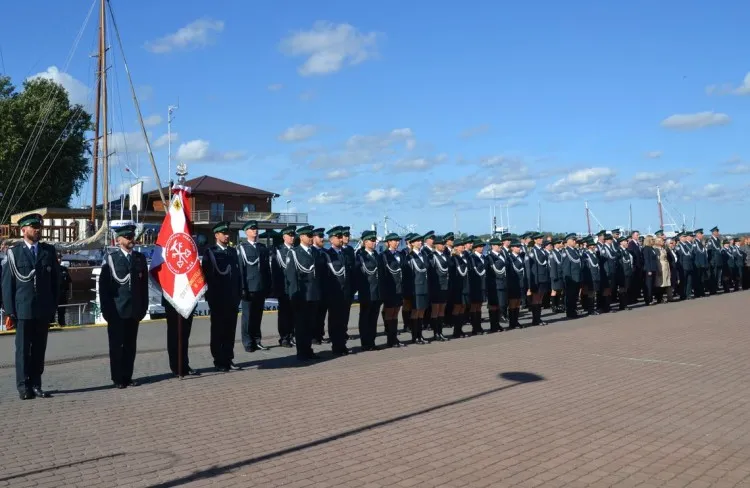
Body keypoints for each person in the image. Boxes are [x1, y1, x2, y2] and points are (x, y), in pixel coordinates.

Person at [2, 213, 59, 400]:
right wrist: (10, 311)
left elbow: (55, 282)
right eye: (33, 226)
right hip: (23, 309)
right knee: (22, 350)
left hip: (43, 309)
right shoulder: (14, 253)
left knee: (39, 349)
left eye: (38, 226)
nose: (37, 229)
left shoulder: (48, 252)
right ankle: (23, 386)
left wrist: (53, 307)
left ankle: (36, 384)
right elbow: (7, 285)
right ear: (23, 230)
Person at [99, 223, 149, 389]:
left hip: (134, 310)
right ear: (118, 240)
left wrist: (143, 308)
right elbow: (104, 289)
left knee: (130, 346)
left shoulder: (139, 259)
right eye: (127, 237)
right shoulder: (112, 259)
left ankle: (128, 376)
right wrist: (107, 312)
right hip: (117, 311)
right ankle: (118, 378)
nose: (130, 239)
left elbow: (143, 287)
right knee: (116, 347)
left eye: (132, 236)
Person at [202, 221, 242, 372]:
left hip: (232, 298)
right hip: (218, 299)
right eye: (223, 233)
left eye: (227, 233)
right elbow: (208, 277)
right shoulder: (210, 253)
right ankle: (219, 360)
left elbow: (237, 275)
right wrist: (212, 297)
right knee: (218, 330)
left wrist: (238, 293)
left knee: (230, 330)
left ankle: (228, 358)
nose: (226, 236)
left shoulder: (232, 252)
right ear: (216, 235)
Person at [285, 225, 322, 361]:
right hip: (301, 295)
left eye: (312, 235)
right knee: (301, 326)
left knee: (311, 324)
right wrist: (294, 296)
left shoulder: (315, 252)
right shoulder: (294, 253)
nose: (311, 238)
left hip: (313, 295)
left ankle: (308, 349)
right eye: (309, 235)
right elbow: (291, 277)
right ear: (301, 237)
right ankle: (302, 352)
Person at [238, 220, 271, 352]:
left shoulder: (262, 248)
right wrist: (242, 288)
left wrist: (268, 286)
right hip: (249, 288)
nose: (255, 231)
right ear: (246, 232)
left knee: (258, 316)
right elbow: (241, 269)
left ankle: (257, 340)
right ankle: (247, 342)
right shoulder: (242, 248)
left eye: (256, 229)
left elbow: (266, 270)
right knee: (247, 317)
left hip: (260, 287)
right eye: (252, 229)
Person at [324, 226, 354, 355]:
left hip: (346, 293)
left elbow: (350, 272)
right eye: (339, 237)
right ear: (331, 239)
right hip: (334, 293)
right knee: (335, 321)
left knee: (344, 320)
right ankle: (336, 345)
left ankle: (342, 344)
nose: (342, 239)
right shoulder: (327, 255)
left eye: (342, 237)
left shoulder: (346, 253)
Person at [356, 230, 382, 351]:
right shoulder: (361, 256)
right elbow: (359, 276)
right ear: (365, 242)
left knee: (374, 318)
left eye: (374, 240)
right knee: (365, 318)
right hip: (367, 292)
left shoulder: (376, 255)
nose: (374, 242)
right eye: (372, 240)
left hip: (377, 292)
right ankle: (365, 342)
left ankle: (372, 341)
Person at [272, 226, 296, 347]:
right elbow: (276, 272)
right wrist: (278, 289)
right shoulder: (278, 251)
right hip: (284, 288)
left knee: (294, 313)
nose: (292, 237)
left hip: (295, 289)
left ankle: (292, 335)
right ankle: (284, 337)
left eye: (293, 235)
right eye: (289, 235)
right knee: (284, 315)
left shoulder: (296, 250)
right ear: (284, 237)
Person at [380, 232, 404, 348]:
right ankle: (390, 339)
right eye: (394, 240)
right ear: (388, 242)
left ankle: (395, 337)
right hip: (390, 289)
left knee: (396, 313)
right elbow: (383, 274)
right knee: (390, 314)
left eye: (398, 240)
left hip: (399, 288)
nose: (397, 242)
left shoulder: (400, 254)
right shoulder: (384, 256)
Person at [164, 298, 198, 377]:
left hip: (188, 299)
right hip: (172, 299)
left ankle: (184, 365)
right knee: (174, 334)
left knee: (185, 334)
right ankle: (176, 367)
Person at [485, 237, 507, 333]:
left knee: (500, 305)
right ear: (493, 246)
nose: (500, 246)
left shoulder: (502, 255)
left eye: (500, 245)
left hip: (502, 283)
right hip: (494, 284)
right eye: (498, 245)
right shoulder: (489, 257)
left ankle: (497, 324)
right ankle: (493, 326)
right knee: (494, 305)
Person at [56, 253, 71, 326]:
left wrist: (70, 294)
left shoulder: (64, 269)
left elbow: (69, 282)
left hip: (63, 295)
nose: (59, 259)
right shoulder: (50, 269)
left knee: (62, 313)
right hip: (53, 296)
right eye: (57, 258)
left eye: (60, 258)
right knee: (51, 314)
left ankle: (62, 325)